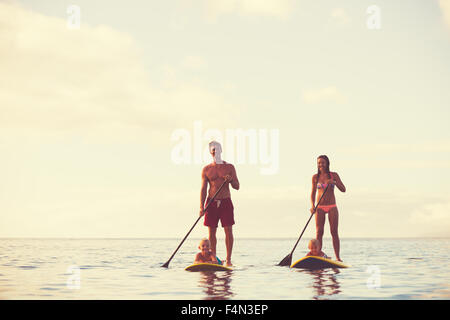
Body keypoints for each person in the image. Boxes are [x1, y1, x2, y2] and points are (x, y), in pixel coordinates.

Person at [200, 141, 240, 267]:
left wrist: (231, 179)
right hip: (211, 202)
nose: (215, 152)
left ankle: (228, 260)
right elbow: (203, 189)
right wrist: (202, 207)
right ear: (210, 152)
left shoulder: (229, 167)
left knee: (228, 230)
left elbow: (237, 186)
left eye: (217, 149)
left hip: (225, 201)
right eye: (212, 150)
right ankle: (214, 260)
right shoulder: (207, 169)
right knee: (211, 232)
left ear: (221, 150)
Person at [310, 155, 346, 261]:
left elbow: (343, 189)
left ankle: (338, 258)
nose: (321, 165)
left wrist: (334, 182)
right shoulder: (315, 177)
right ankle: (318, 256)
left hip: (332, 206)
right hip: (319, 207)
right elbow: (312, 193)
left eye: (323, 163)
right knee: (319, 232)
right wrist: (312, 206)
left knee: (334, 232)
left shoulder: (333, 175)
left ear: (327, 163)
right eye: (319, 163)